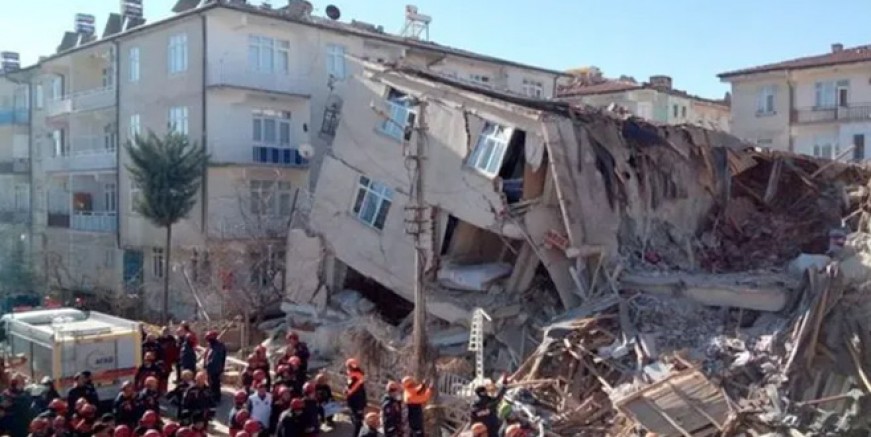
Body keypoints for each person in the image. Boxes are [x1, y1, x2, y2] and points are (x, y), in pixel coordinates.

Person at [344, 358, 367, 437]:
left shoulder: (354, 375)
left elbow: (351, 388)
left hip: (356, 400)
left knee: (357, 420)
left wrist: (346, 391)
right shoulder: (358, 374)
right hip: (359, 399)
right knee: (358, 418)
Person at [203, 330, 226, 402]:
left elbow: (215, 359)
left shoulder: (218, 347)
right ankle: (214, 397)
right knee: (212, 383)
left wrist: (208, 365)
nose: (208, 341)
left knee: (215, 383)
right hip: (212, 369)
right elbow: (207, 356)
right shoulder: (212, 346)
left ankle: (216, 398)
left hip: (215, 369)